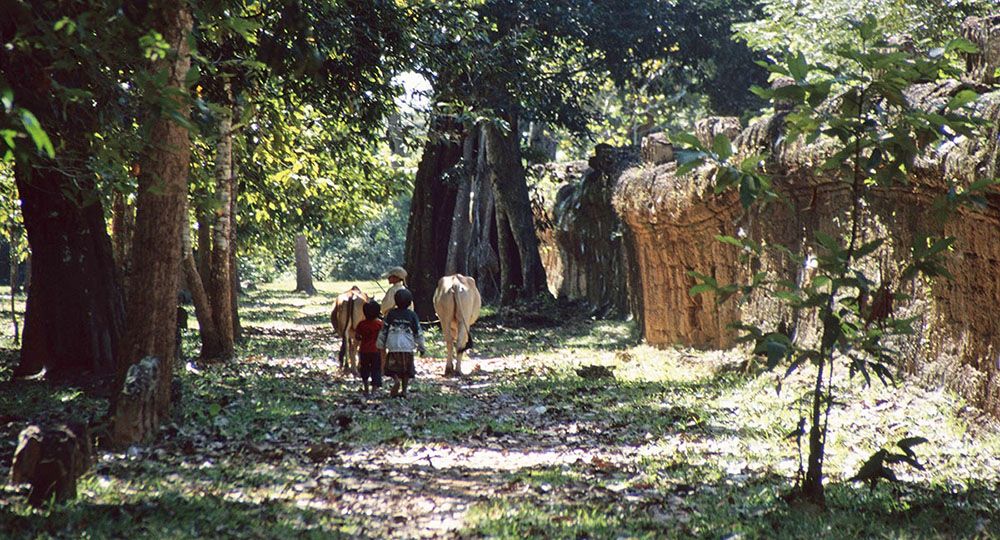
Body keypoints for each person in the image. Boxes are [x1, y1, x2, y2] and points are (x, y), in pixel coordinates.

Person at [377, 287, 425, 398]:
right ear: (410, 303)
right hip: (407, 347)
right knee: (406, 371)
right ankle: (404, 390)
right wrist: (421, 347)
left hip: (393, 346)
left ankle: (396, 380)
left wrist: (380, 344)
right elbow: (418, 332)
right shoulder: (412, 315)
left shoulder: (391, 314)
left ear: (395, 301)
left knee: (392, 367)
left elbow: (384, 329)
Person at [355, 300, 384, 394]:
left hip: (363, 350)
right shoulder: (380, 324)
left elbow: (357, 336)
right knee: (376, 369)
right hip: (376, 350)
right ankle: (374, 390)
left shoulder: (361, 324)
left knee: (364, 369)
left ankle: (366, 387)